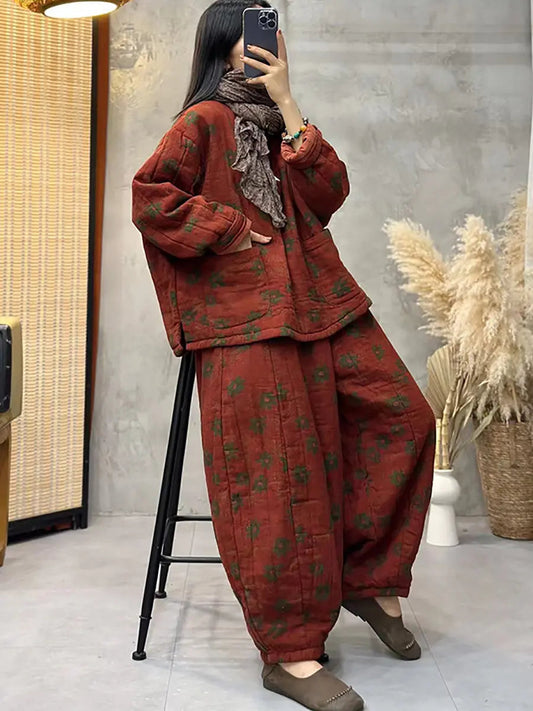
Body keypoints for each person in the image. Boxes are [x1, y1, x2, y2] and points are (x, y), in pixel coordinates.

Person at [132, 2, 437, 709]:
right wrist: (227, 228)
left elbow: (328, 193)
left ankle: (366, 580)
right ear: (224, 49)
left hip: (320, 300)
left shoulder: (278, 125)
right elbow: (151, 199)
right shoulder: (203, 122)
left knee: (405, 418)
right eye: (252, 36)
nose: (269, 45)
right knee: (275, 476)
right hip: (245, 318)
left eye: (273, 34)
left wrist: (290, 105)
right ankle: (291, 652)